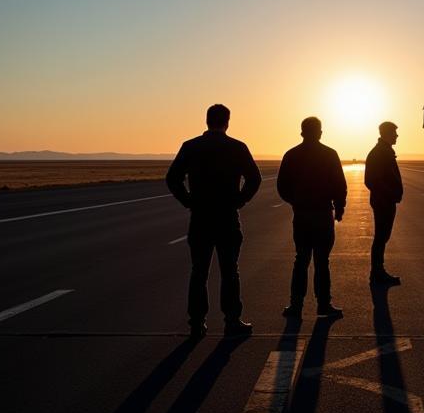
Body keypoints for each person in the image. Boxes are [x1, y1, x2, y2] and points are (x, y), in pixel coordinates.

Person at [166, 104, 261, 339]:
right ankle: (231, 320)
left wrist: (188, 201)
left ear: (207, 121)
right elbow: (254, 178)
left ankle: (197, 323)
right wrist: (240, 200)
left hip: (200, 217)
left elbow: (172, 178)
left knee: (199, 271)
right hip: (227, 217)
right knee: (230, 271)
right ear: (227, 122)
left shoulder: (191, 147)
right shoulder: (237, 147)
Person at [277, 117, 348, 320]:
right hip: (322, 214)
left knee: (301, 260)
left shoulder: (291, 155)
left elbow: (282, 186)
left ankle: (296, 305)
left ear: (302, 132)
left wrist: (295, 202)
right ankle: (323, 304)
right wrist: (339, 207)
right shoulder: (329, 154)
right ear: (319, 132)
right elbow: (339, 184)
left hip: (302, 216)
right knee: (321, 261)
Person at [364, 120, 403, 285]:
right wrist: (390, 194)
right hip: (383, 201)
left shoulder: (384, 151)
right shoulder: (380, 152)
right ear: (386, 134)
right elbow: (371, 180)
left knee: (382, 236)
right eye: (394, 133)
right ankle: (377, 273)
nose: (397, 136)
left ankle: (378, 271)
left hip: (385, 200)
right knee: (381, 237)